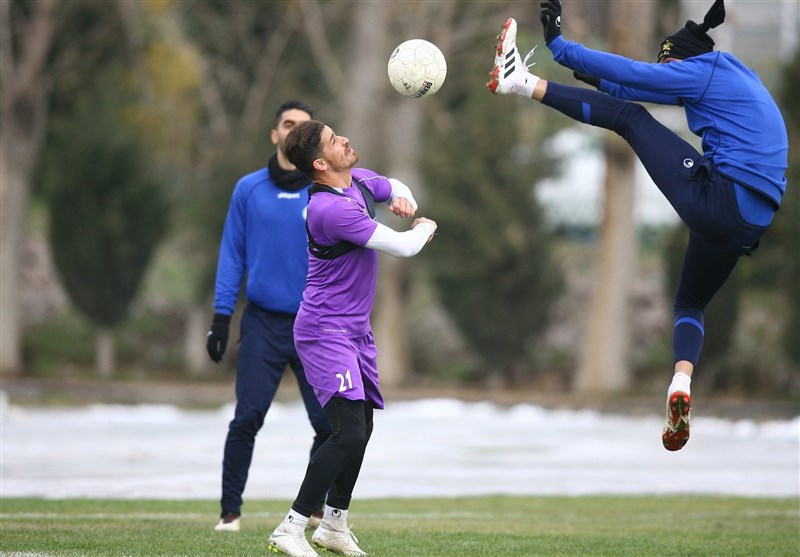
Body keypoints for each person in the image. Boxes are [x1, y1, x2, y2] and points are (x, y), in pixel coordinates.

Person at [487, 0, 788, 451]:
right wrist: (598, 80)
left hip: (721, 199)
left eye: (667, 66)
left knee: (629, 120)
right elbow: (637, 87)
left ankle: (520, 81)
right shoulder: (732, 78)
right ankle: (681, 383)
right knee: (690, 303)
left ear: (681, 60)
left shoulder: (702, 70)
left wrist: (561, 47)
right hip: (747, 225)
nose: (666, 75)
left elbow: (638, 80)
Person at [266, 119, 437, 557]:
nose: (344, 139)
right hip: (325, 330)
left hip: (355, 330)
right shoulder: (330, 209)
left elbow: (394, 183)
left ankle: (335, 526)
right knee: (346, 433)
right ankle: (292, 527)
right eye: (333, 141)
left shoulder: (356, 180)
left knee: (363, 428)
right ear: (321, 163)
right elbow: (402, 247)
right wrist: (422, 227)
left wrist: (402, 197)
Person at [207, 100, 332, 532]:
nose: (294, 130)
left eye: (303, 126)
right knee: (247, 417)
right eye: (287, 124)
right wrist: (221, 318)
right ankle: (229, 513)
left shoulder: (326, 190)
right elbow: (231, 255)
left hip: (314, 326)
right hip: (263, 323)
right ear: (276, 135)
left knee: (329, 424)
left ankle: (315, 509)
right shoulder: (248, 189)